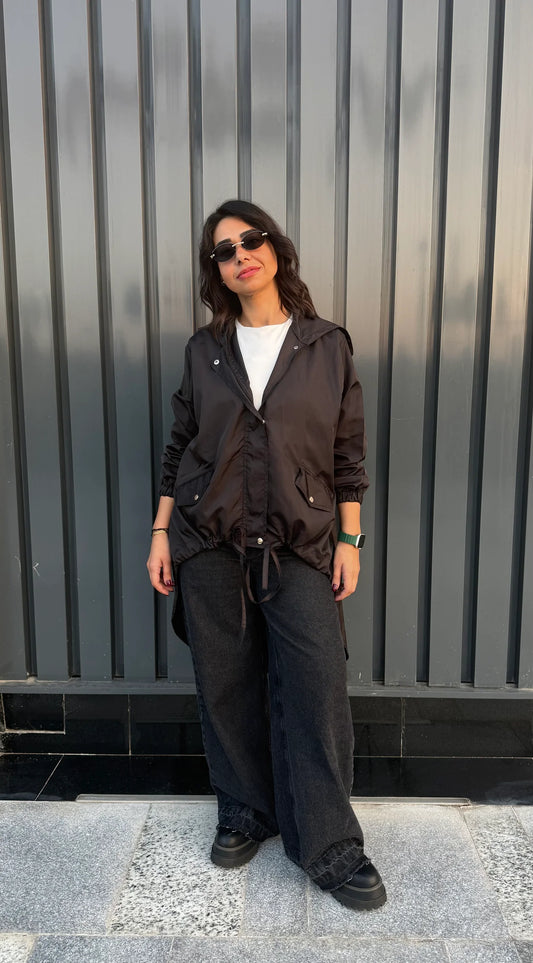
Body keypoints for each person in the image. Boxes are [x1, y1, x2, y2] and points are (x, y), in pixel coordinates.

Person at [146, 199, 386, 911]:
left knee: (315, 686)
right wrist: (160, 533)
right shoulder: (205, 350)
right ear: (215, 272)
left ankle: (328, 842)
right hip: (209, 540)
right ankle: (244, 810)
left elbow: (347, 453)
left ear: (275, 248)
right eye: (223, 250)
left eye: (250, 239)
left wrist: (350, 540)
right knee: (224, 683)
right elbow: (180, 446)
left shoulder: (324, 345)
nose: (240, 255)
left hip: (298, 541)